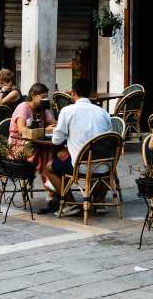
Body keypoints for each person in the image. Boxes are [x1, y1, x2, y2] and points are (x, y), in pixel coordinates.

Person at [47, 78, 113, 216]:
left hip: (81, 166)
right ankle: (100, 201)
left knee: (49, 167)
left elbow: (56, 139)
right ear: (90, 94)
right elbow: (110, 138)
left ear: (73, 93)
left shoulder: (67, 110)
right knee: (109, 164)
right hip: (104, 164)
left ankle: (71, 203)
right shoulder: (103, 112)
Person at [9, 83, 57, 200]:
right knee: (40, 150)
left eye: (47, 96)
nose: (45, 99)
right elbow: (21, 130)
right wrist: (45, 130)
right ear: (34, 95)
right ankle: (51, 186)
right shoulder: (24, 107)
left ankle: (52, 185)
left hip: (36, 143)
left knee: (51, 149)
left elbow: (54, 123)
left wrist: (49, 115)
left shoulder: (42, 108)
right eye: (43, 96)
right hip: (19, 144)